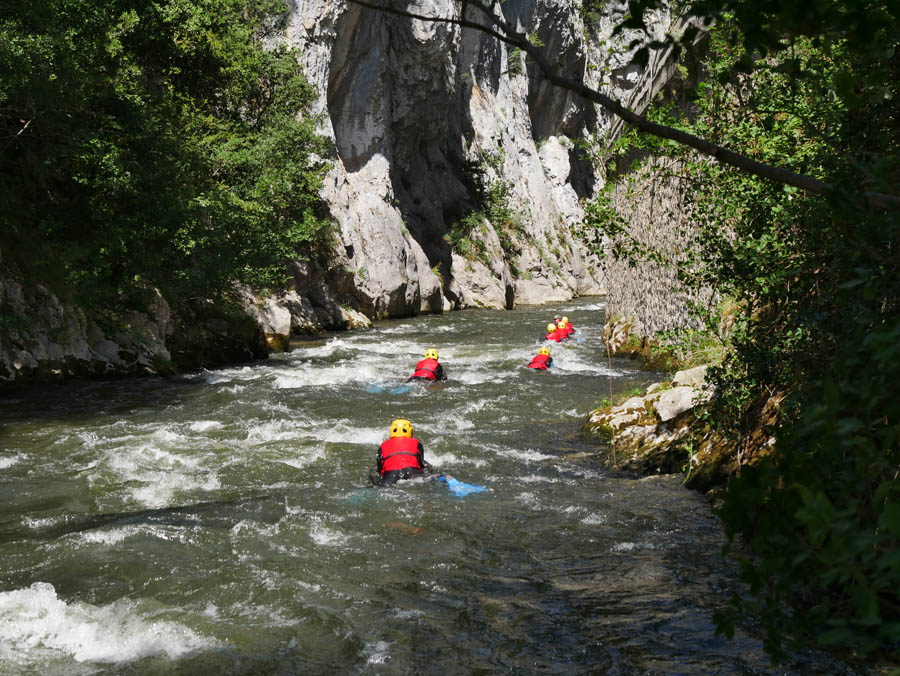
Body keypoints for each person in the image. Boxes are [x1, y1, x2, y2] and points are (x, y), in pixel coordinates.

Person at [371, 418, 433, 486]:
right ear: (410, 432)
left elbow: (379, 469)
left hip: (390, 476)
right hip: (412, 473)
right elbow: (421, 464)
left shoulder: (382, 446)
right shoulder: (417, 444)